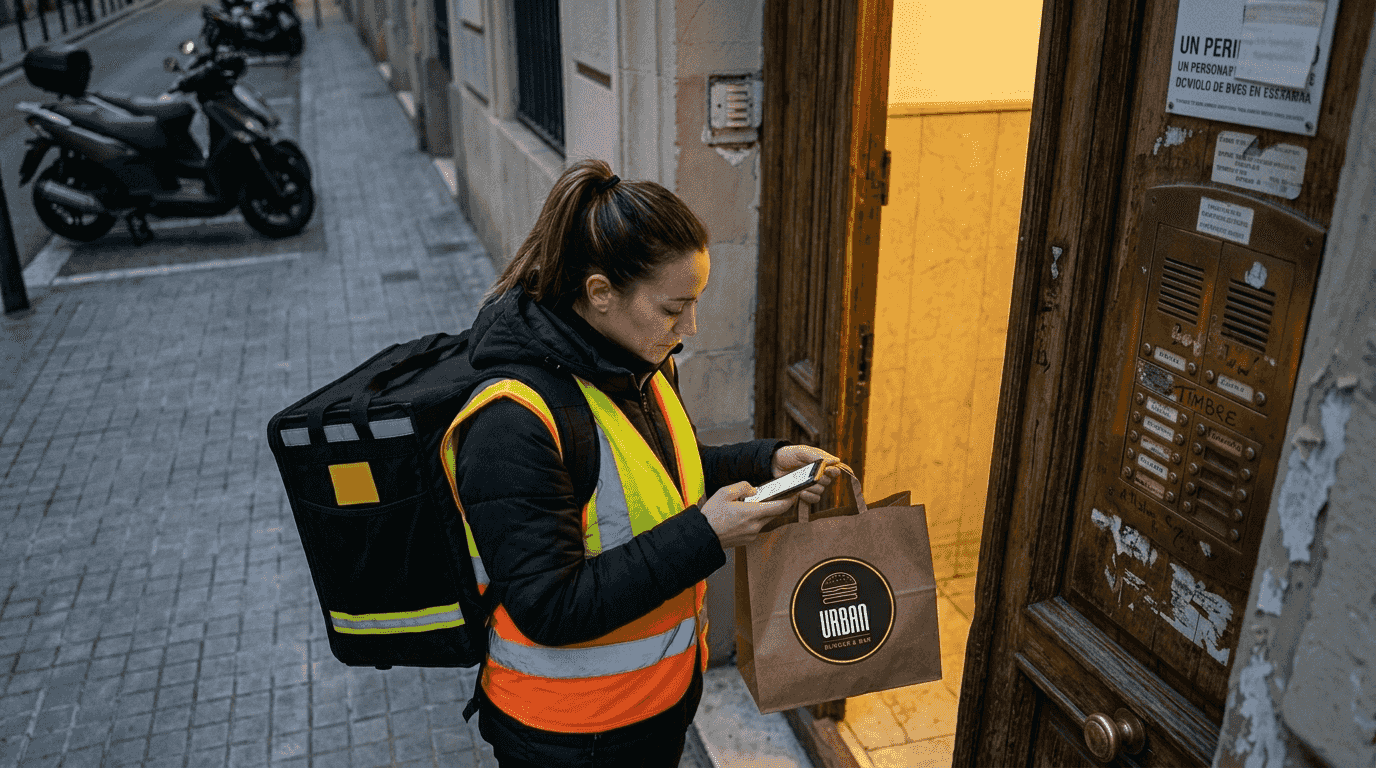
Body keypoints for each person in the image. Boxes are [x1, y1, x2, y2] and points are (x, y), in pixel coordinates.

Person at [446, 158, 845, 767]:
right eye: (672, 308)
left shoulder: (638, 361)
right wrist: (707, 534)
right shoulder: (511, 422)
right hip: (568, 737)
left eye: (695, 303)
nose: (690, 327)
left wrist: (766, 461)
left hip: (655, 707)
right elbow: (550, 607)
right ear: (600, 293)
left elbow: (667, 471)